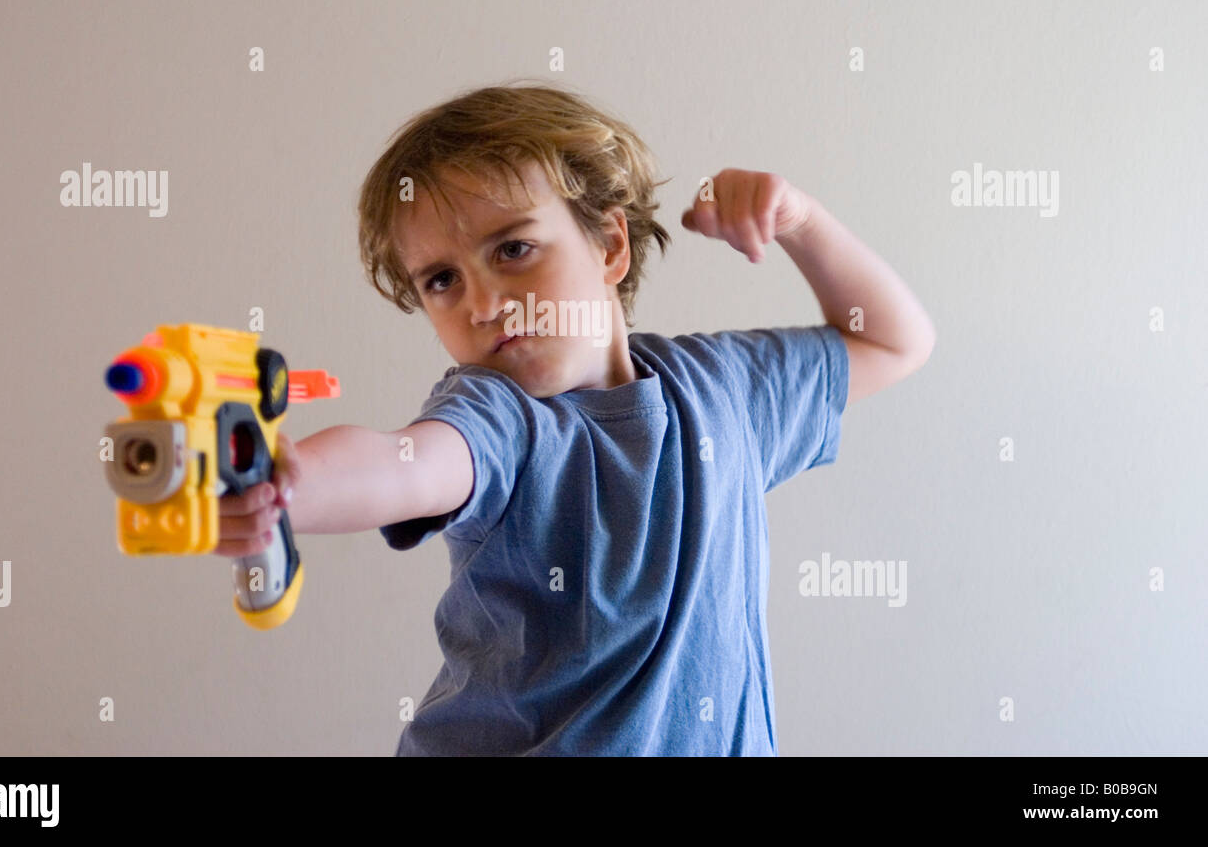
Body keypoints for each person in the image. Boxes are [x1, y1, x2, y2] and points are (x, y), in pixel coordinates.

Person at [217, 81, 936, 755]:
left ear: (610, 246)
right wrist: (288, 482)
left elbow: (891, 339)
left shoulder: (726, 390)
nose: (484, 301)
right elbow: (409, 462)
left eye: (513, 249)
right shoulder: (498, 415)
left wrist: (800, 221)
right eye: (442, 279)